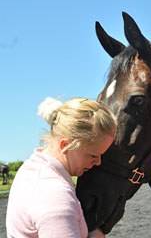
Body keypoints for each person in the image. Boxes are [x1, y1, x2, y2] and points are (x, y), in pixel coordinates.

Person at [6, 97, 116, 238]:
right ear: (65, 145)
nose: (98, 162)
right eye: (93, 155)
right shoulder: (54, 197)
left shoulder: (31, 168)